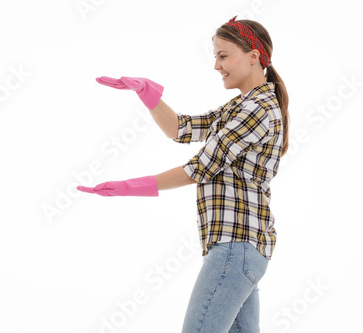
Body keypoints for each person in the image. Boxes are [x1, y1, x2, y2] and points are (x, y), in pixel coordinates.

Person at [77, 15, 290, 333]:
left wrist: (126, 187)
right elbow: (181, 128)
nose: (216, 65)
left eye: (222, 55)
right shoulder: (240, 106)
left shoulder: (256, 108)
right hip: (243, 248)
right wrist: (148, 94)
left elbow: (199, 169)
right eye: (215, 56)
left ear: (254, 55)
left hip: (235, 245)